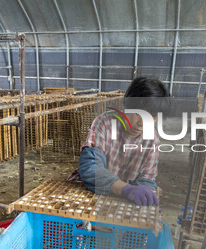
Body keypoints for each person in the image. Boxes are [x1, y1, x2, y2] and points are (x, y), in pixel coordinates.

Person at [71, 77, 169, 206]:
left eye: (152, 117)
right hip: (90, 192)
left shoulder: (152, 141)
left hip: (121, 199)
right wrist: (126, 189)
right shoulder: (105, 123)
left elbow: (146, 179)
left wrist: (145, 196)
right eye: (138, 114)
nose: (142, 123)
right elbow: (90, 167)